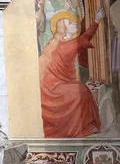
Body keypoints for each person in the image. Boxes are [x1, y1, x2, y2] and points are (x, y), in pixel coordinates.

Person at [39, 8, 104, 138]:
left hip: (50, 87)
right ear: (64, 29)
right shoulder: (70, 45)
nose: (74, 24)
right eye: (70, 23)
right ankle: (85, 127)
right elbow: (86, 36)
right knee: (82, 90)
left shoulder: (54, 43)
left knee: (81, 89)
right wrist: (96, 21)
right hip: (57, 88)